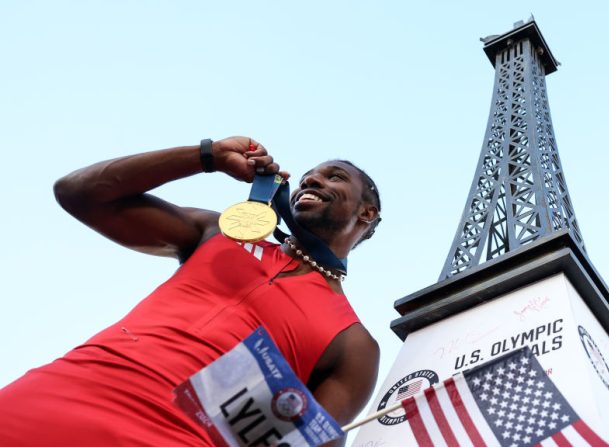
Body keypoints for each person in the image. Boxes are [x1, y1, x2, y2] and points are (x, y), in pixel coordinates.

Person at [0, 136, 382, 446]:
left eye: (334, 177)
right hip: (54, 400)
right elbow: (78, 193)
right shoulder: (219, 233)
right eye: (308, 177)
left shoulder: (354, 346)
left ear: (366, 214)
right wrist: (206, 156)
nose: (311, 181)